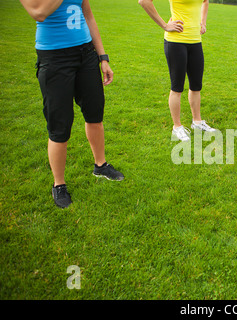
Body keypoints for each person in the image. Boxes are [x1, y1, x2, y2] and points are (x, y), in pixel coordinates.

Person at [19, 0, 124, 209]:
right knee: (60, 125)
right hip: (55, 58)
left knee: (95, 114)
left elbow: (88, 15)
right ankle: (59, 184)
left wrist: (102, 56)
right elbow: (38, 12)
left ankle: (100, 165)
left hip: (86, 55)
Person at [139, 0, 215, 142]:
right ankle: (177, 127)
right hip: (176, 42)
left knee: (196, 86)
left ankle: (197, 122)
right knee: (177, 87)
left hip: (195, 42)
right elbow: (144, 1)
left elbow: (205, 1)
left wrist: (203, 22)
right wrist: (165, 25)